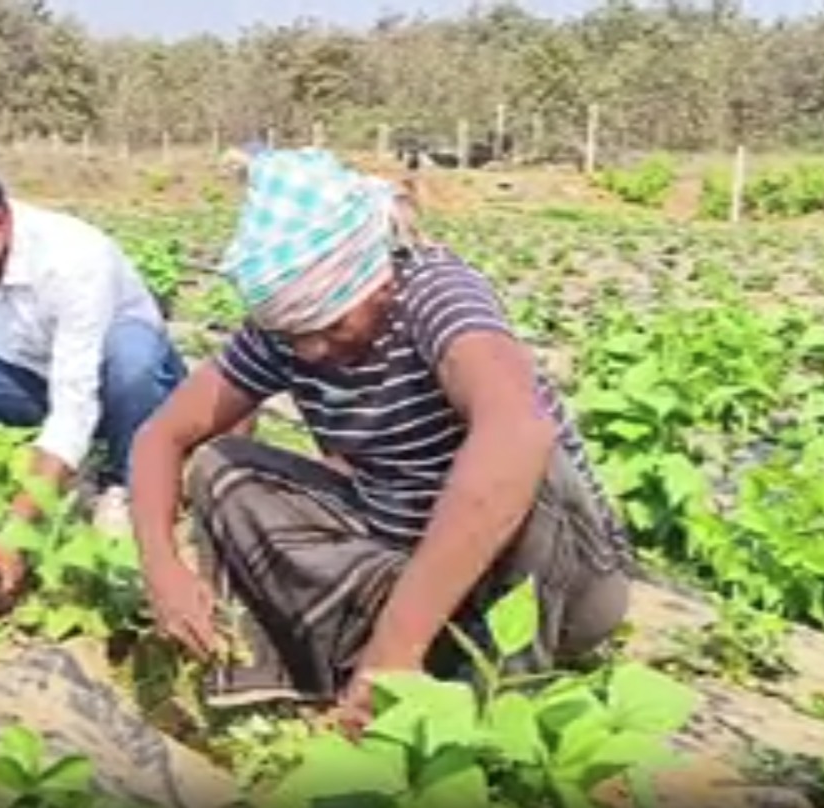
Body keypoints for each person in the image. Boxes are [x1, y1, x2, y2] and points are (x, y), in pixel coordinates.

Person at [126, 148, 634, 730]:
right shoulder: (285, 333)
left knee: (526, 451)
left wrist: (395, 646)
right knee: (223, 468)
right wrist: (162, 570)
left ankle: (484, 690)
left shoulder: (435, 293)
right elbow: (161, 436)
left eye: (333, 325)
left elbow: (517, 432)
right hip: (417, 574)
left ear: (377, 280)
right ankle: (340, 678)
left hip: (554, 589)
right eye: (297, 337)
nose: (314, 350)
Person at [0, 144, 186, 601]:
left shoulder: (73, 259)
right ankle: (57, 470)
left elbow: (76, 401)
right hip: (36, 379)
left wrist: (16, 533)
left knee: (133, 352)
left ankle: (121, 484)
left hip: (126, 387)